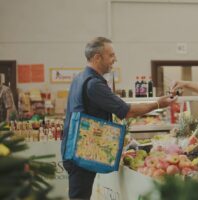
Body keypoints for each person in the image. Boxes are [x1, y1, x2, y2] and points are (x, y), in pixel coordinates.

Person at [61, 37, 177, 199]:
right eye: (111, 55)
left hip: (76, 148)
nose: (115, 59)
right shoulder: (94, 84)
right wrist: (158, 103)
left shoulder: (80, 78)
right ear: (97, 57)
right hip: (81, 152)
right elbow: (126, 111)